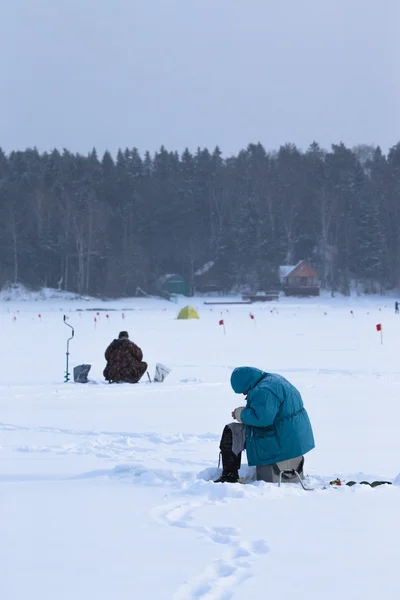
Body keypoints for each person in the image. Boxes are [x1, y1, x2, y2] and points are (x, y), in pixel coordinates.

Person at [214, 367, 315, 483]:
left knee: (232, 431)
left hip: (280, 442)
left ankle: (229, 476)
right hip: (294, 440)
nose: (244, 393)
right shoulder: (274, 379)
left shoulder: (263, 391)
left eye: (244, 391)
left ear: (247, 383)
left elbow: (263, 419)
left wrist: (240, 414)